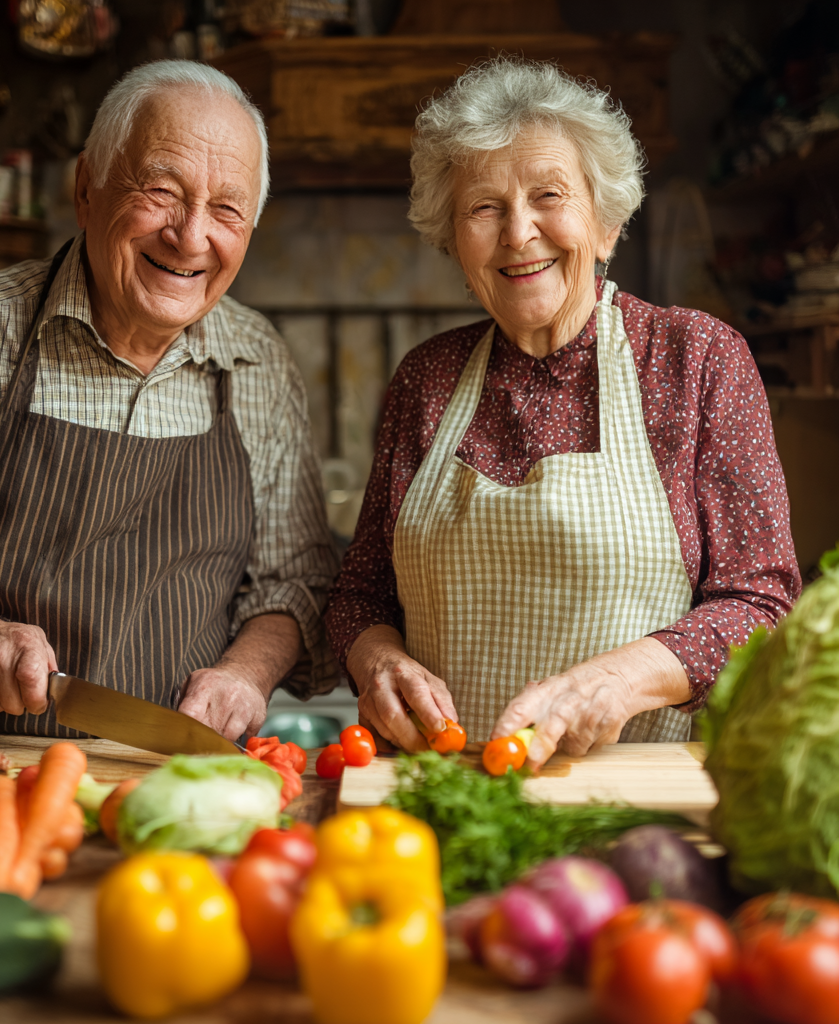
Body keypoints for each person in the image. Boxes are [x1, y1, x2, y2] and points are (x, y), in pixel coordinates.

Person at [0, 60, 338, 741]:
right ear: (86, 189)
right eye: (160, 190)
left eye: (226, 209)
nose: (189, 235)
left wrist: (247, 671)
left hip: (177, 781)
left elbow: (294, 582)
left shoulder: (258, 360)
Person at [324, 58, 801, 768]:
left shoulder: (695, 359)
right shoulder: (426, 378)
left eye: (548, 195)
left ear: (605, 224)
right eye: (485, 208)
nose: (519, 233)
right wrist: (379, 663)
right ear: (457, 244)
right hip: (446, 791)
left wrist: (620, 679)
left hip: (630, 801)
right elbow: (358, 598)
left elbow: (760, 607)